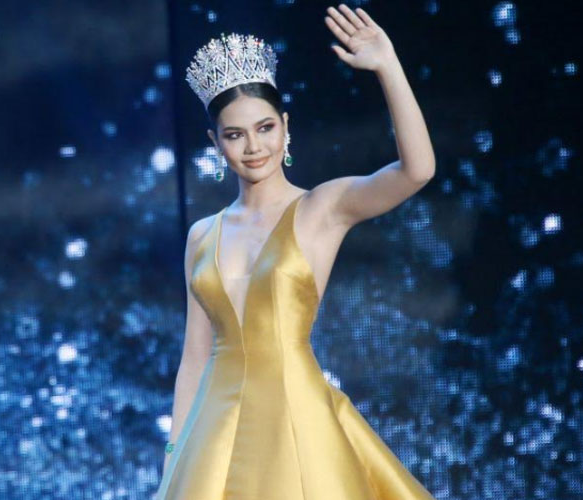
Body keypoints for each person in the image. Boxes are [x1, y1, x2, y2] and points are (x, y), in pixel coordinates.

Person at [157, 4, 437, 499]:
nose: (253, 147)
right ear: (215, 142)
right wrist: (174, 459)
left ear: (285, 127)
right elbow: (195, 358)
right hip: (212, 435)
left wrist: (388, 67)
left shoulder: (320, 209)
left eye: (265, 128)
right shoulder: (202, 235)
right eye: (235, 135)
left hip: (294, 420)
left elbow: (417, 171)